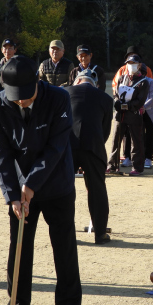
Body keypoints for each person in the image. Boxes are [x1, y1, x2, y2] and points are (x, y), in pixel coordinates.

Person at [0, 55, 84, 305]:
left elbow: (56, 148)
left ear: (38, 82)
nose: (21, 102)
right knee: (18, 248)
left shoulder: (58, 99)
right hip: (19, 191)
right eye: (15, 97)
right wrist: (12, 196)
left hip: (57, 185)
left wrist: (31, 184)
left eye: (26, 96)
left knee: (64, 248)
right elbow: (0, 154)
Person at [65, 69, 113, 244]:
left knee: (64, 190)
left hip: (68, 145)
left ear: (77, 81)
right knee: (97, 189)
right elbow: (105, 131)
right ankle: (100, 233)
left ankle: (65, 232)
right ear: (94, 83)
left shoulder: (65, 93)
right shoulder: (106, 98)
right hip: (93, 146)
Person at [107, 55, 149, 176]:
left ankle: (138, 167)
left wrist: (126, 106)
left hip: (134, 114)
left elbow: (140, 101)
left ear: (139, 65)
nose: (131, 65)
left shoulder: (144, 82)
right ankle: (112, 166)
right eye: (128, 63)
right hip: (120, 115)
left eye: (133, 63)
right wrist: (117, 102)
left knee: (136, 141)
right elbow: (116, 94)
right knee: (116, 140)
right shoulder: (122, 78)